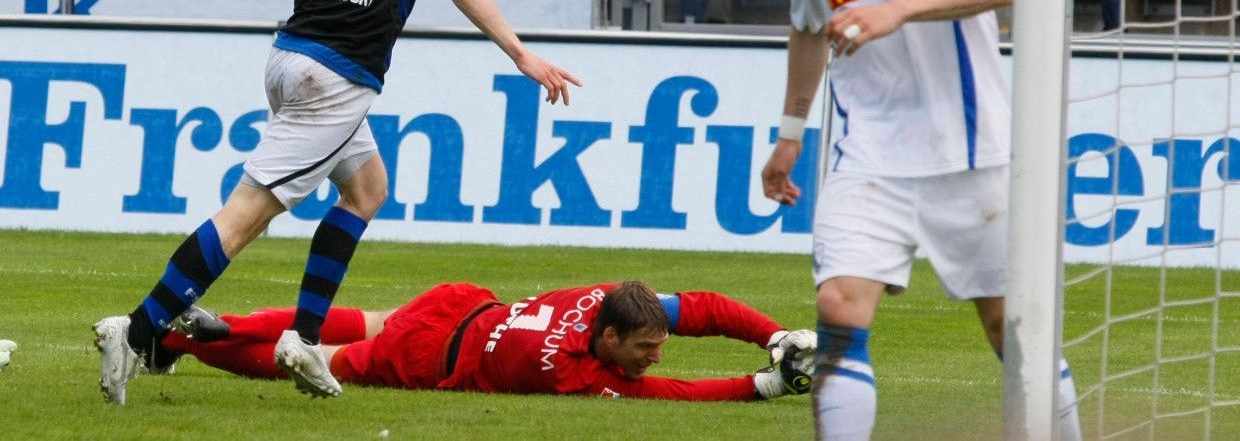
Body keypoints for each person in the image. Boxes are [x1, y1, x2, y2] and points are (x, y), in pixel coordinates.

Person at [92, 0, 582, 406]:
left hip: (290, 58)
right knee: (245, 218)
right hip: (335, 79)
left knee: (367, 189)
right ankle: (137, 333)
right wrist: (520, 52)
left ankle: (305, 338)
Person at [760, 0, 1081, 440]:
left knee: (1011, 327)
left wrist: (895, 10)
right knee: (839, 306)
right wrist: (791, 131)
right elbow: (809, 24)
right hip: (867, 151)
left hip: (972, 148)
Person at [157, 281, 817, 402]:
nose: (655, 356)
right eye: (645, 348)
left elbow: (698, 308)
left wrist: (775, 334)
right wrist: (765, 382)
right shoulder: (579, 374)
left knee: (354, 317)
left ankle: (217, 324)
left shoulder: (610, 298)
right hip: (430, 357)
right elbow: (682, 393)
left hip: (462, 304)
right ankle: (188, 345)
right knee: (311, 360)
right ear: (610, 337)